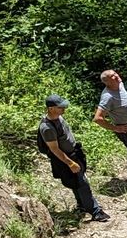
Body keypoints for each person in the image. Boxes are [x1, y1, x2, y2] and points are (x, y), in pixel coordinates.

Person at [37, 95, 107, 223]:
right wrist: (70, 163)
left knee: (77, 182)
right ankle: (96, 212)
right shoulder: (47, 128)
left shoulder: (59, 117)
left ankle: (82, 206)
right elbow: (54, 149)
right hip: (65, 159)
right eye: (60, 107)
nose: (64, 108)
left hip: (74, 154)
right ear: (51, 109)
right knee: (82, 183)